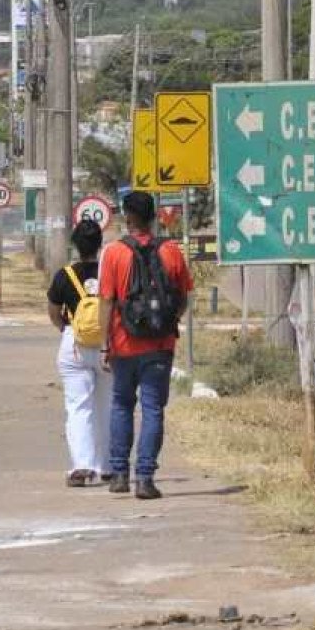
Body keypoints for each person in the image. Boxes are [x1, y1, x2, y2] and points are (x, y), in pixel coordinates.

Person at [96, 191, 194, 499]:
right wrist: (167, 321)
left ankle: (119, 475)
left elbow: (106, 302)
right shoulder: (171, 251)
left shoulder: (113, 253)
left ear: (128, 217)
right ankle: (145, 479)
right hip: (159, 346)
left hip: (124, 344)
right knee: (153, 409)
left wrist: (104, 344)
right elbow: (185, 297)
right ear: (153, 217)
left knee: (122, 404)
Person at [47, 218, 109, 487]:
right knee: (107, 407)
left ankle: (81, 466)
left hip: (75, 343)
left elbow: (53, 312)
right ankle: (107, 466)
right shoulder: (111, 273)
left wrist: (68, 330)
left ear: (75, 244)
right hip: (109, 344)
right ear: (100, 244)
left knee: (78, 406)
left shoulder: (65, 275)